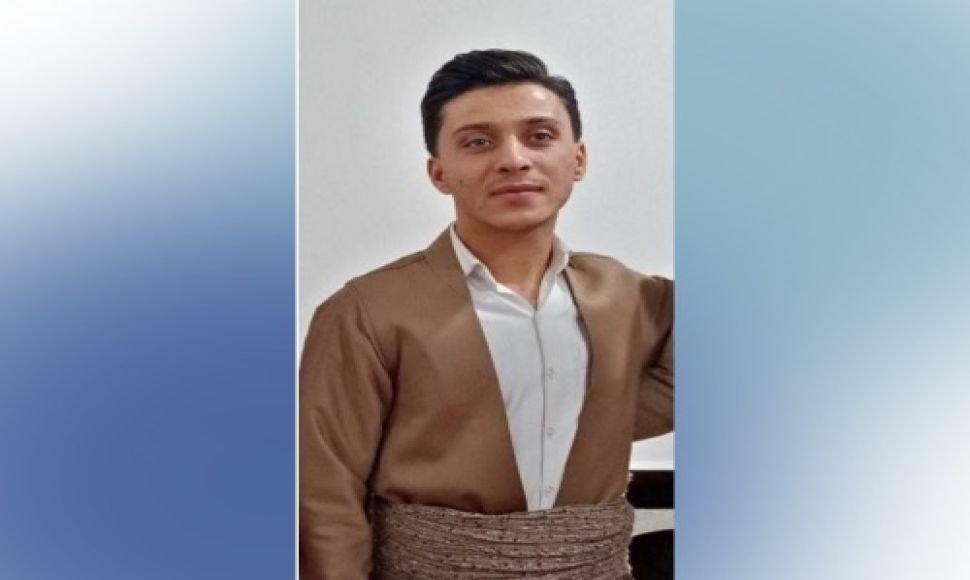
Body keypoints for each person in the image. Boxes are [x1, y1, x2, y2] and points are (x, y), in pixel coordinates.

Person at [299, 49, 673, 580]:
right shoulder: (366, 310)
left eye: (539, 136)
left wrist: (595, 422)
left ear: (578, 158)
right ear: (438, 171)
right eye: (478, 142)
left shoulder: (625, 295)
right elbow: (325, 496)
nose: (514, 159)